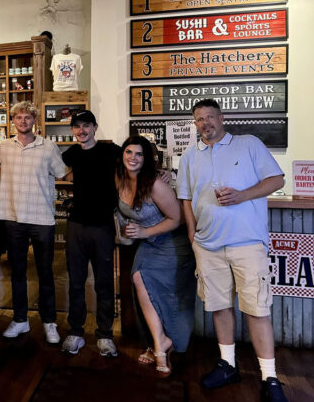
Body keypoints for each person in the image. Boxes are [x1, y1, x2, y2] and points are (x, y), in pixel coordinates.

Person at [176, 99, 286, 402]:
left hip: (247, 243)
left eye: (210, 117)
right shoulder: (188, 156)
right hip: (208, 246)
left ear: (221, 118)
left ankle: (270, 377)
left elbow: (277, 179)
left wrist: (242, 195)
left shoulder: (248, 144)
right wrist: (192, 236)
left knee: (257, 309)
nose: (205, 123)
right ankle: (228, 365)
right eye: (199, 119)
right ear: (195, 124)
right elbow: (186, 199)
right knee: (220, 307)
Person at [115, 136, 195, 376]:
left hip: (172, 241)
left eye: (138, 154)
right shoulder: (120, 178)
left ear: (146, 159)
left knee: (158, 291)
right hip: (149, 242)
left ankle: (160, 345)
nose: (132, 158)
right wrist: (127, 229)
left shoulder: (155, 184)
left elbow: (178, 218)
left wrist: (143, 231)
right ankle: (158, 341)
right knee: (139, 281)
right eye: (128, 152)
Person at [0, 101, 67, 345]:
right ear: (12, 121)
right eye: (18, 117)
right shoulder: (3, 147)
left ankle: (49, 321)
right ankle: (20, 319)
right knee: (17, 273)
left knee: (45, 272)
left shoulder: (48, 147)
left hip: (41, 217)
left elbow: (63, 174)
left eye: (27, 117)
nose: (23, 121)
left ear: (35, 120)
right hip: (13, 216)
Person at [61, 110, 120, 357]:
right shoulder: (71, 153)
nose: (81, 130)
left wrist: (157, 172)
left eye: (86, 126)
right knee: (75, 282)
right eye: (77, 126)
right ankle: (76, 331)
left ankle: (105, 334)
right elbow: (54, 170)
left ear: (95, 127)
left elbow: (139, 160)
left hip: (103, 226)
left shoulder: (111, 151)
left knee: (104, 283)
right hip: (76, 225)